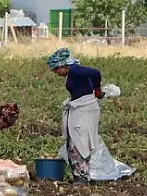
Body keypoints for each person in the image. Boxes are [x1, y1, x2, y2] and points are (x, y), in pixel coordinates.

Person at [47, 48, 133, 183]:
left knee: (79, 142)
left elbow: (95, 72)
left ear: (62, 65)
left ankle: (82, 177)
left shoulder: (74, 70)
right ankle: (80, 175)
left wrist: (97, 89)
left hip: (85, 110)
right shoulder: (73, 73)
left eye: (56, 70)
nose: (56, 73)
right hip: (82, 108)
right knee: (76, 142)